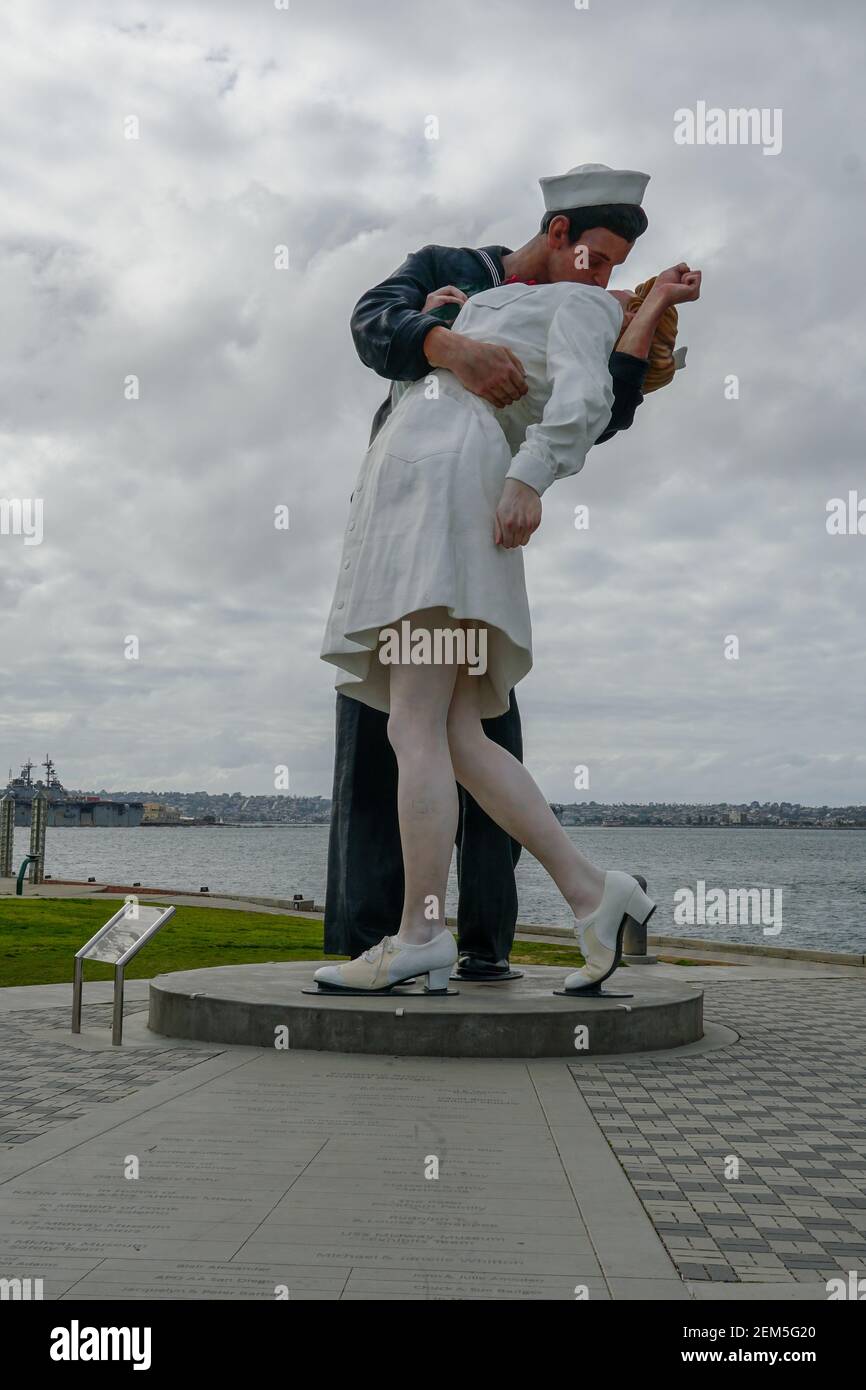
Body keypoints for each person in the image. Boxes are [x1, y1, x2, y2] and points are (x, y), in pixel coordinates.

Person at [316, 163, 701, 994]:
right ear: (556, 233)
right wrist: (448, 326)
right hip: (424, 492)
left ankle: (421, 930)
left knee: (413, 727)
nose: (603, 276)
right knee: (453, 734)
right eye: (593, 255)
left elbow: (595, 400)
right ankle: (593, 892)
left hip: (444, 493)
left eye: (614, 269)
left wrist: (529, 478)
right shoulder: (475, 282)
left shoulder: (583, 302)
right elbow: (374, 321)